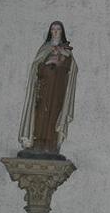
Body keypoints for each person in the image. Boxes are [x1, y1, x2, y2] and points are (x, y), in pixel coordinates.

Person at [18, 21, 78, 159]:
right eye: (53, 29)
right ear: (50, 32)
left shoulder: (66, 50)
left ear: (62, 32)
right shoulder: (45, 48)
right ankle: (36, 144)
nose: (56, 31)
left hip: (58, 89)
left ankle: (51, 145)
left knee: (54, 113)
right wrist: (49, 63)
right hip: (44, 89)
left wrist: (61, 62)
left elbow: (71, 68)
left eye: (58, 29)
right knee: (40, 114)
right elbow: (37, 67)